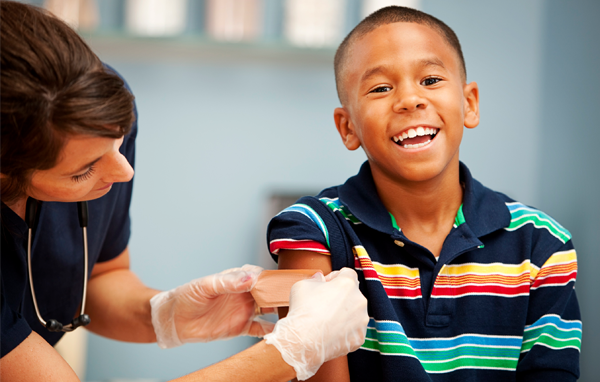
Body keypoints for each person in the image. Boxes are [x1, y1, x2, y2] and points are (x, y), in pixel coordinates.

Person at [0, 2, 369, 381]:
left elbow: (95, 280)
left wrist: (164, 314)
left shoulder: (96, 112)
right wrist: (293, 350)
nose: (123, 171)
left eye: (119, 140)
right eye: (85, 170)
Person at [267, 6, 582, 382]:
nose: (410, 100)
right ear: (347, 126)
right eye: (381, 88)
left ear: (470, 103)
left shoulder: (543, 243)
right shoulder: (312, 230)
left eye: (430, 80)